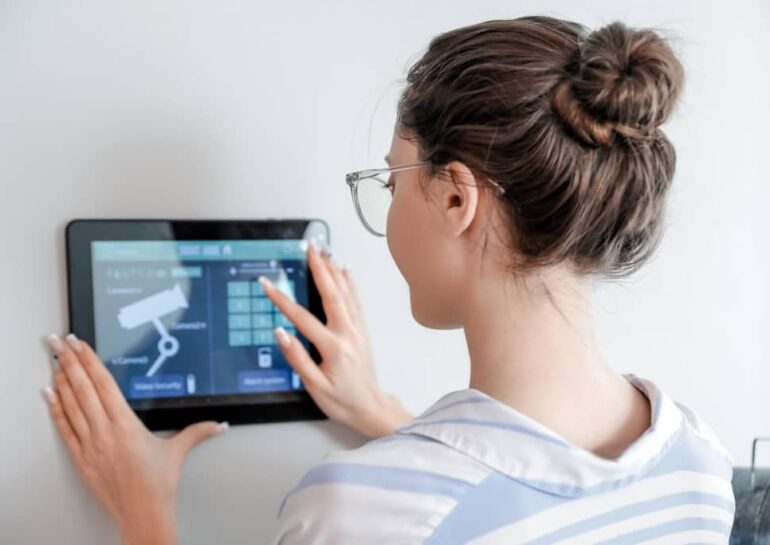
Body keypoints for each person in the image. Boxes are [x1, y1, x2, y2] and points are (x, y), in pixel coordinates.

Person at [42, 15, 735, 545]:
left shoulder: (357, 513)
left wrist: (144, 511)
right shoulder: (701, 469)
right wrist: (379, 410)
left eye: (392, 177)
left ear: (457, 199)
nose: (388, 209)